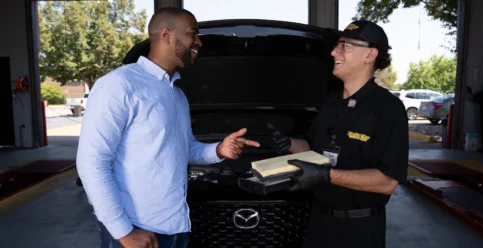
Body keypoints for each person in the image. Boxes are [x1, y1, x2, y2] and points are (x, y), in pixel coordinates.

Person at [76, 7, 260, 248]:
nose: (199, 42)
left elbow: (185, 149)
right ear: (166, 35)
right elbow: (92, 162)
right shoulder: (119, 85)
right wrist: (123, 232)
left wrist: (218, 150)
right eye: (192, 34)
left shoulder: (176, 94)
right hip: (136, 232)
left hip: (176, 229)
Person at [268, 20, 409, 248]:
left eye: (345, 45)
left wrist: (327, 175)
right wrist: (290, 144)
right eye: (336, 46)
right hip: (319, 222)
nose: (334, 52)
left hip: (360, 229)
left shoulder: (388, 108)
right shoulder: (330, 103)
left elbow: (387, 182)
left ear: (369, 55)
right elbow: (313, 151)